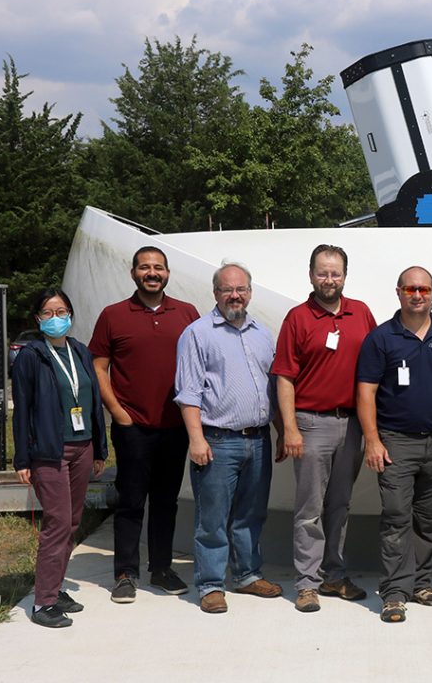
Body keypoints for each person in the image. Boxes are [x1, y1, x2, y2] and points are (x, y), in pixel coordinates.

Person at [357, 266, 432, 623]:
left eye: (423, 289)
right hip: (395, 443)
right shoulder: (380, 338)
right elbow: (366, 392)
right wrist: (372, 441)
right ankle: (393, 592)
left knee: (430, 517)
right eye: (410, 288)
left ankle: (420, 583)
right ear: (399, 292)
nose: (417, 295)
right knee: (395, 517)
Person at [89, 246, 199, 603]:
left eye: (159, 268)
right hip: (132, 426)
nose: (152, 273)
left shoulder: (186, 313)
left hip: (176, 425)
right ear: (133, 272)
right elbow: (98, 368)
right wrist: (119, 413)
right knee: (131, 500)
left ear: (167, 273)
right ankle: (125, 573)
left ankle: (162, 568)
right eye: (145, 267)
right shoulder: (113, 315)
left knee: (166, 501)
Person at [272, 244, 376, 614]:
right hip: (311, 423)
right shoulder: (297, 318)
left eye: (335, 273)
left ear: (345, 275)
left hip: (351, 426)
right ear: (311, 274)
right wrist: (290, 429)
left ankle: (333, 574)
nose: (329, 279)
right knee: (309, 509)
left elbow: (376, 368)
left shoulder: (361, 313)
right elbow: (284, 377)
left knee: (339, 506)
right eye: (322, 272)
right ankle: (307, 583)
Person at [174, 261, 284, 614]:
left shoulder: (262, 333)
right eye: (227, 289)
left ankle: (248, 575)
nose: (234, 295)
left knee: (251, 515)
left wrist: (282, 432)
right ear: (215, 294)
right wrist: (196, 439)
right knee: (213, 518)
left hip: (259, 439)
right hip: (218, 440)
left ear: (250, 293)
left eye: (241, 289)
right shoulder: (197, 334)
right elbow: (188, 393)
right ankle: (209, 584)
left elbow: (273, 388)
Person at [13, 288, 108, 628]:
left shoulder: (80, 352)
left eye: (62, 311)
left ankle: (55, 587)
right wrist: (22, 459)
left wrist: (100, 448)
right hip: (49, 452)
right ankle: (43, 603)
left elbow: (93, 401)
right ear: (37, 319)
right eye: (49, 313)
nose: (57, 318)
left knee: (71, 523)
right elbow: (21, 409)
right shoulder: (31, 356)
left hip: (82, 447)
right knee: (56, 523)